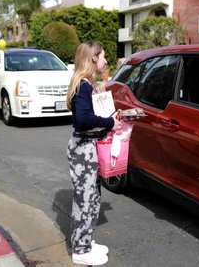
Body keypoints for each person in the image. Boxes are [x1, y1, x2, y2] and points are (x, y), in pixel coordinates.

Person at [66, 40, 121, 266]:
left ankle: (87, 242)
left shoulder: (88, 85)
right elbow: (82, 119)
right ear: (92, 58)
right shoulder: (82, 85)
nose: (106, 61)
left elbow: (87, 115)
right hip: (83, 150)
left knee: (93, 198)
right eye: (103, 56)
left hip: (88, 149)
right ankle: (80, 250)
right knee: (85, 200)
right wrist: (109, 122)